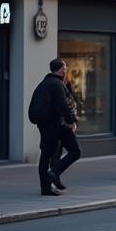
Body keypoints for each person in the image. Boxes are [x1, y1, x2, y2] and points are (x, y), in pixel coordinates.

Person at [28, 58, 80, 195]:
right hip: (58, 124)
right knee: (75, 151)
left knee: (46, 156)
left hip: (44, 125)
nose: (66, 70)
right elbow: (64, 104)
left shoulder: (43, 83)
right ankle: (55, 172)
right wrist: (72, 121)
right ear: (62, 70)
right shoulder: (57, 84)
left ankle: (46, 188)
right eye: (65, 68)